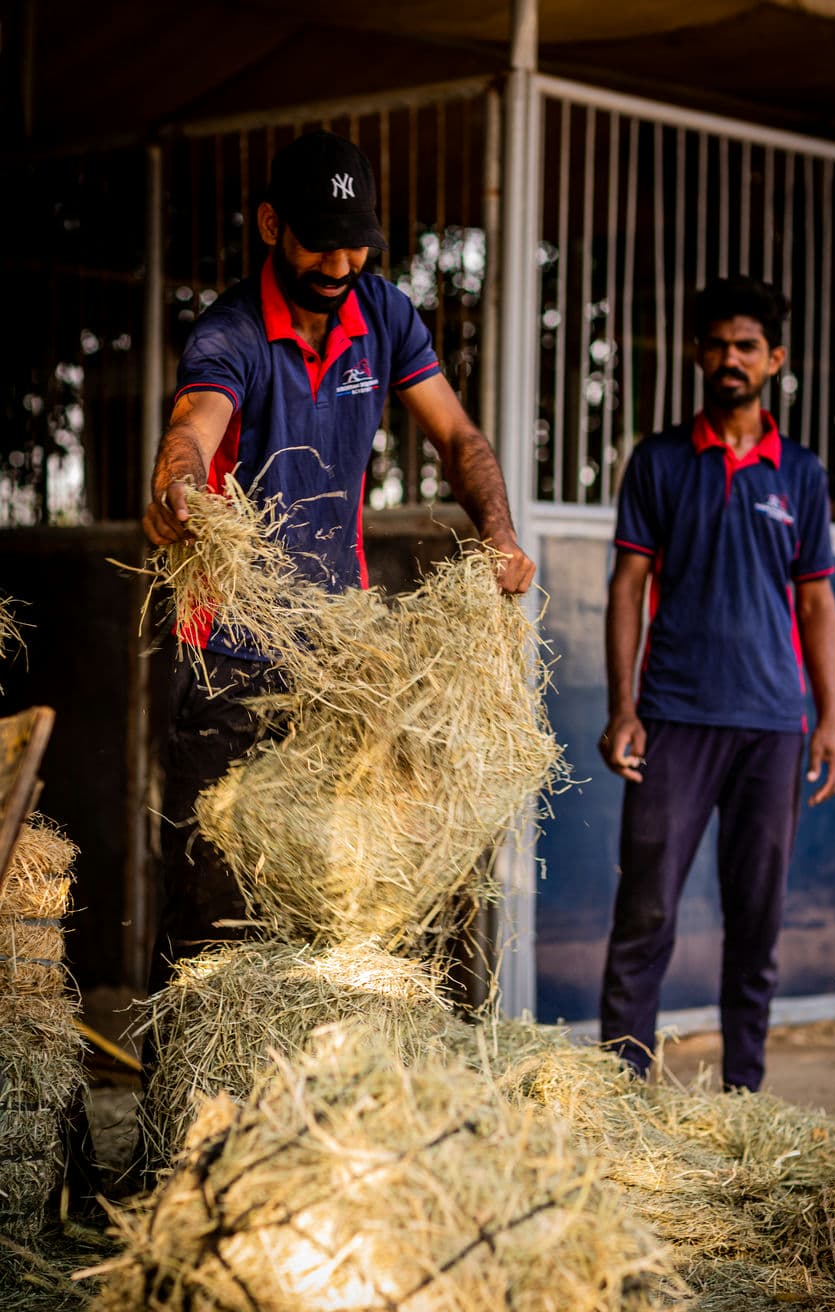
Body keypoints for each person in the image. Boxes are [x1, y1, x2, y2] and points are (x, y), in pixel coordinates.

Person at [142, 129, 534, 992]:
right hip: (227, 658)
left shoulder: (384, 315)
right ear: (270, 225)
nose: (339, 262)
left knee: (336, 899)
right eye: (320, 240)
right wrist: (178, 486)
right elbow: (194, 427)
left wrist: (499, 534)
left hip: (335, 655)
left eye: (356, 243)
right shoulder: (232, 332)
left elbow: (458, 437)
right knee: (214, 904)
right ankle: (191, 1070)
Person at [597, 275, 835, 1092]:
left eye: (747, 346)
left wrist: (828, 720)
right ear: (697, 354)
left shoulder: (801, 474)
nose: (730, 358)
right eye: (717, 344)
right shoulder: (661, 462)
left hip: (773, 726)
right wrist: (624, 708)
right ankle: (620, 1093)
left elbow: (816, 602)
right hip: (673, 718)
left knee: (756, 922)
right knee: (645, 913)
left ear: (776, 359)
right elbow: (628, 586)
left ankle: (744, 1097)